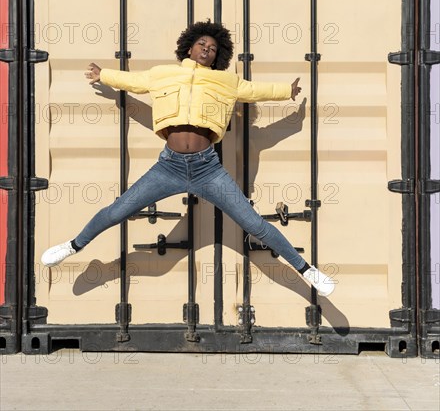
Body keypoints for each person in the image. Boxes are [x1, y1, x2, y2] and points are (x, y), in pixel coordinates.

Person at [42, 21, 335, 297]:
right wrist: (103, 75)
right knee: (118, 210)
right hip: (168, 167)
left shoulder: (226, 81)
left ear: (218, 56)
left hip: (208, 169)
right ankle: (73, 245)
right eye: (201, 44)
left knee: (255, 225)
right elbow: (134, 81)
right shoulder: (163, 74)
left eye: (212, 48)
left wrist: (287, 91)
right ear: (189, 48)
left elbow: (256, 90)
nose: (207, 49)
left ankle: (306, 270)